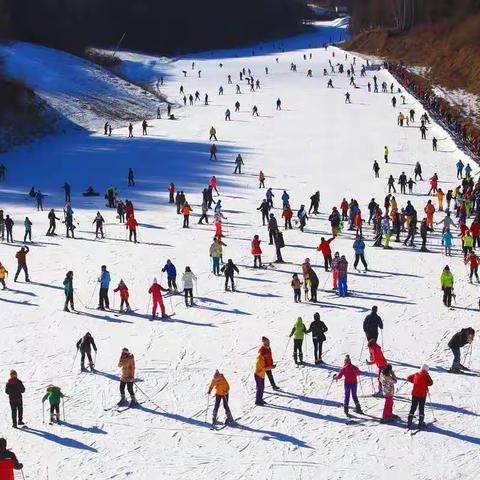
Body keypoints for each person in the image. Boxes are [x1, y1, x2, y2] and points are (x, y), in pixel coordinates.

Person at [407, 364, 433, 430]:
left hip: (415, 394)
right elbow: (431, 383)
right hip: (422, 395)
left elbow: (409, 378)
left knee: (413, 407)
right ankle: (420, 423)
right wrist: (425, 384)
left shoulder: (416, 374)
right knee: (421, 408)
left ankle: (409, 422)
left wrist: (415, 382)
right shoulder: (426, 376)